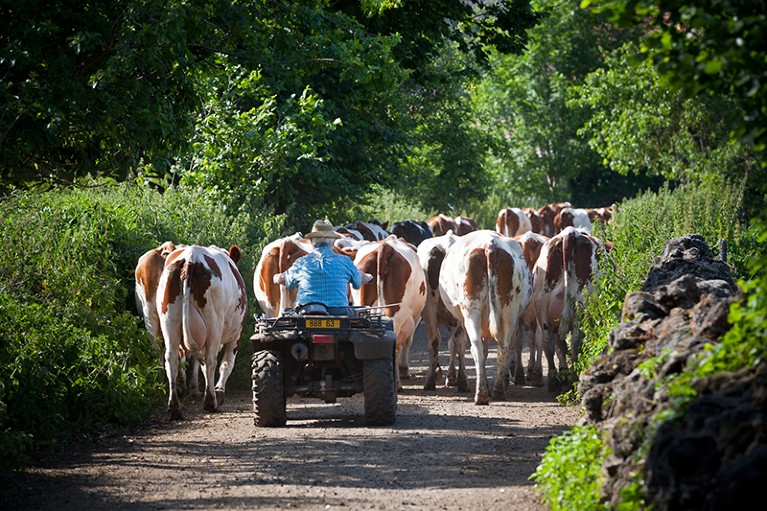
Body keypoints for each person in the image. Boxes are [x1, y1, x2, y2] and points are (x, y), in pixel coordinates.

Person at [273, 219, 373, 314]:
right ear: (333, 242)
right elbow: (359, 280)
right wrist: (369, 277)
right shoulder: (345, 261)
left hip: (306, 315)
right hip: (338, 314)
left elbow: (284, 279)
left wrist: (276, 277)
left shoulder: (302, 263)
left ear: (312, 242)